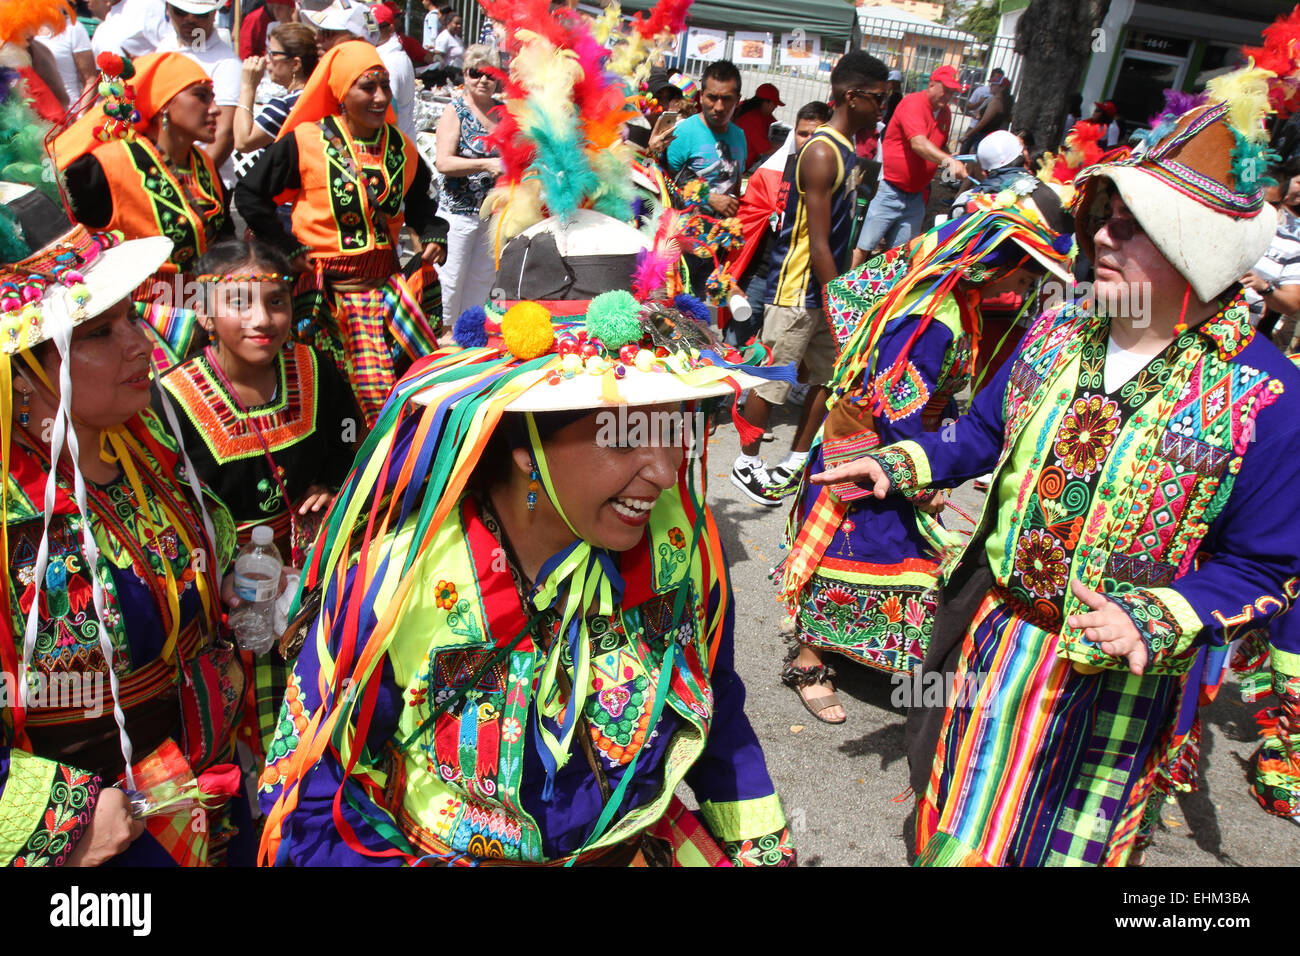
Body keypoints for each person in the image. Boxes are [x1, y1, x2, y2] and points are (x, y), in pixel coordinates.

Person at [815, 94, 1300, 866]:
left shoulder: (1266, 394)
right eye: (1101, 214)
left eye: (1129, 223)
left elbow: (1266, 565)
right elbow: (981, 435)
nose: (1100, 234)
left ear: (1195, 247)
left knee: (1062, 849)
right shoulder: (1059, 330)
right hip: (996, 644)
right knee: (954, 825)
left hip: (1116, 691)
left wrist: (1165, 612)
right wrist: (900, 461)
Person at [257, 210, 797, 867]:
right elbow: (306, 797)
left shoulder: (683, 546)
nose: (664, 470)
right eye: (620, 433)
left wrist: (764, 851)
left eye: (676, 426)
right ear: (524, 441)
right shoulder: (397, 585)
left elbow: (720, 715)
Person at [0, 224, 250, 866]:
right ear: (22, 376)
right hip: (102, 836)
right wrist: (64, 818)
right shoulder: (10, 521)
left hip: (206, 793)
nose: (141, 345)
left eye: (133, 319)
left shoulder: (149, 452)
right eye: (98, 334)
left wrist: (235, 587)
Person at [777, 190, 1074, 723]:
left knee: (890, 552)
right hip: (875, 450)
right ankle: (810, 661)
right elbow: (899, 405)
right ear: (998, 264)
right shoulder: (934, 317)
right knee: (851, 551)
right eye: (1026, 280)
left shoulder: (955, 302)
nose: (1025, 292)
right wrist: (924, 476)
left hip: (901, 447)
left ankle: (860, 649)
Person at [157, 239, 356, 755]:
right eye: (240, 303)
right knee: (255, 736)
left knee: (328, 714)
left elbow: (353, 443)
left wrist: (333, 488)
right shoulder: (171, 400)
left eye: (276, 301)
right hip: (231, 596)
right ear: (203, 314)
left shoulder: (316, 370)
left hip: (317, 577)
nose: (263, 319)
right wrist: (220, 570)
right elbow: (169, 508)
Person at [234, 41, 447, 426]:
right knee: (338, 398)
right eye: (367, 87)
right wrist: (286, 246)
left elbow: (421, 207)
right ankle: (342, 476)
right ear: (341, 93)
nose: (380, 97)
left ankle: (386, 478)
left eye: (384, 86)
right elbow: (250, 193)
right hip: (323, 295)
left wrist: (432, 234)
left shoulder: (401, 148)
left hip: (386, 290)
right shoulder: (306, 142)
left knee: (412, 389)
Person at [729, 52, 888, 506]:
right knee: (772, 381)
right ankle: (747, 461)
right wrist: (843, 301)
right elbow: (817, 243)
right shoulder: (820, 151)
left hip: (825, 290)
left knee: (827, 378)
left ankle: (796, 461)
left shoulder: (845, 150)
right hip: (797, 289)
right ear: (851, 96)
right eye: (877, 98)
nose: (882, 106)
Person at [56, 51, 235, 368]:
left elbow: (222, 238)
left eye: (214, 98)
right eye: (201, 97)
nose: (215, 109)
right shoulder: (108, 164)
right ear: (165, 103)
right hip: (134, 320)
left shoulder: (202, 163)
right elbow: (66, 243)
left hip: (202, 310)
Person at [724, 100, 830, 347]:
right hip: (760, 278)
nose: (808, 140)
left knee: (777, 358)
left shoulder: (835, 180)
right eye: (803, 134)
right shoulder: (769, 173)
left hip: (799, 286)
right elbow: (745, 227)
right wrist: (731, 279)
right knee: (732, 346)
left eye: (816, 134)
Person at [853, 65, 966, 261]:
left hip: (915, 195)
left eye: (952, 92)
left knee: (902, 256)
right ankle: (844, 288)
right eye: (945, 89)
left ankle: (886, 291)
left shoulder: (945, 113)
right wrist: (948, 161)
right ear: (932, 84)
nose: (948, 95)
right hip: (888, 189)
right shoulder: (913, 103)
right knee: (863, 247)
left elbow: (938, 145)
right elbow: (919, 143)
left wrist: (954, 159)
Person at [434, 44, 502, 331]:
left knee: (482, 279)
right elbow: (443, 162)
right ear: (465, 74)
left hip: (491, 213)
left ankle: (469, 332)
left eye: (489, 73)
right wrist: (486, 165)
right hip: (458, 213)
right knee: (450, 278)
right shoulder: (456, 110)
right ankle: (444, 334)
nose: (483, 80)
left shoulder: (504, 112)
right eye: (476, 73)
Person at [154, 0, 242, 186]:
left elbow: (224, 133)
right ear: (167, 10)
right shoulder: (165, 47)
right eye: (180, 12)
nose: (190, 19)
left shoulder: (227, 64)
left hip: (205, 184)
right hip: (163, 175)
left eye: (200, 15)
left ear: (214, 15)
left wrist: (192, 184)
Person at [234, 21, 317, 154]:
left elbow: (243, 142)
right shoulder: (318, 96)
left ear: (295, 64)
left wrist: (248, 86)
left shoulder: (286, 106)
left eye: (274, 54)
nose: (266, 59)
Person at [33, 10, 96, 112]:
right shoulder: (23, 31)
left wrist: (80, 116)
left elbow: (91, 80)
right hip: (38, 119)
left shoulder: (73, 28)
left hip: (70, 114)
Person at [369, 2, 415, 139]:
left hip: (396, 146)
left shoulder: (389, 62)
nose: (371, 33)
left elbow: (386, 110)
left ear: (390, 29)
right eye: (368, 28)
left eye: (377, 28)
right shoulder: (388, 55)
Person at [732, 82, 785, 172]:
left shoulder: (756, 111)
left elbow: (775, 124)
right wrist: (787, 146)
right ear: (765, 102)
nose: (776, 106)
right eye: (774, 103)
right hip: (734, 168)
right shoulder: (754, 118)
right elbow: (767, 150)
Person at [959, 74, 1012, 155]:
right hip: (989, 136)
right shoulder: (1003, 102)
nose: (991, 86)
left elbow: (983, 122)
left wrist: (967, 135)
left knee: (972, 161)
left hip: (982, 136)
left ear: (1002, 88)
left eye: (994, 84)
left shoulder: (996, 102)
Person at [432, 10, 464, 82]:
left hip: (460, 74)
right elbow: (438, 59)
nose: (459, 26)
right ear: (448, 23)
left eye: (460, 24)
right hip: (451, 77)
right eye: (456, 23)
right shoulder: (444, 37)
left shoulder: (456, 37)